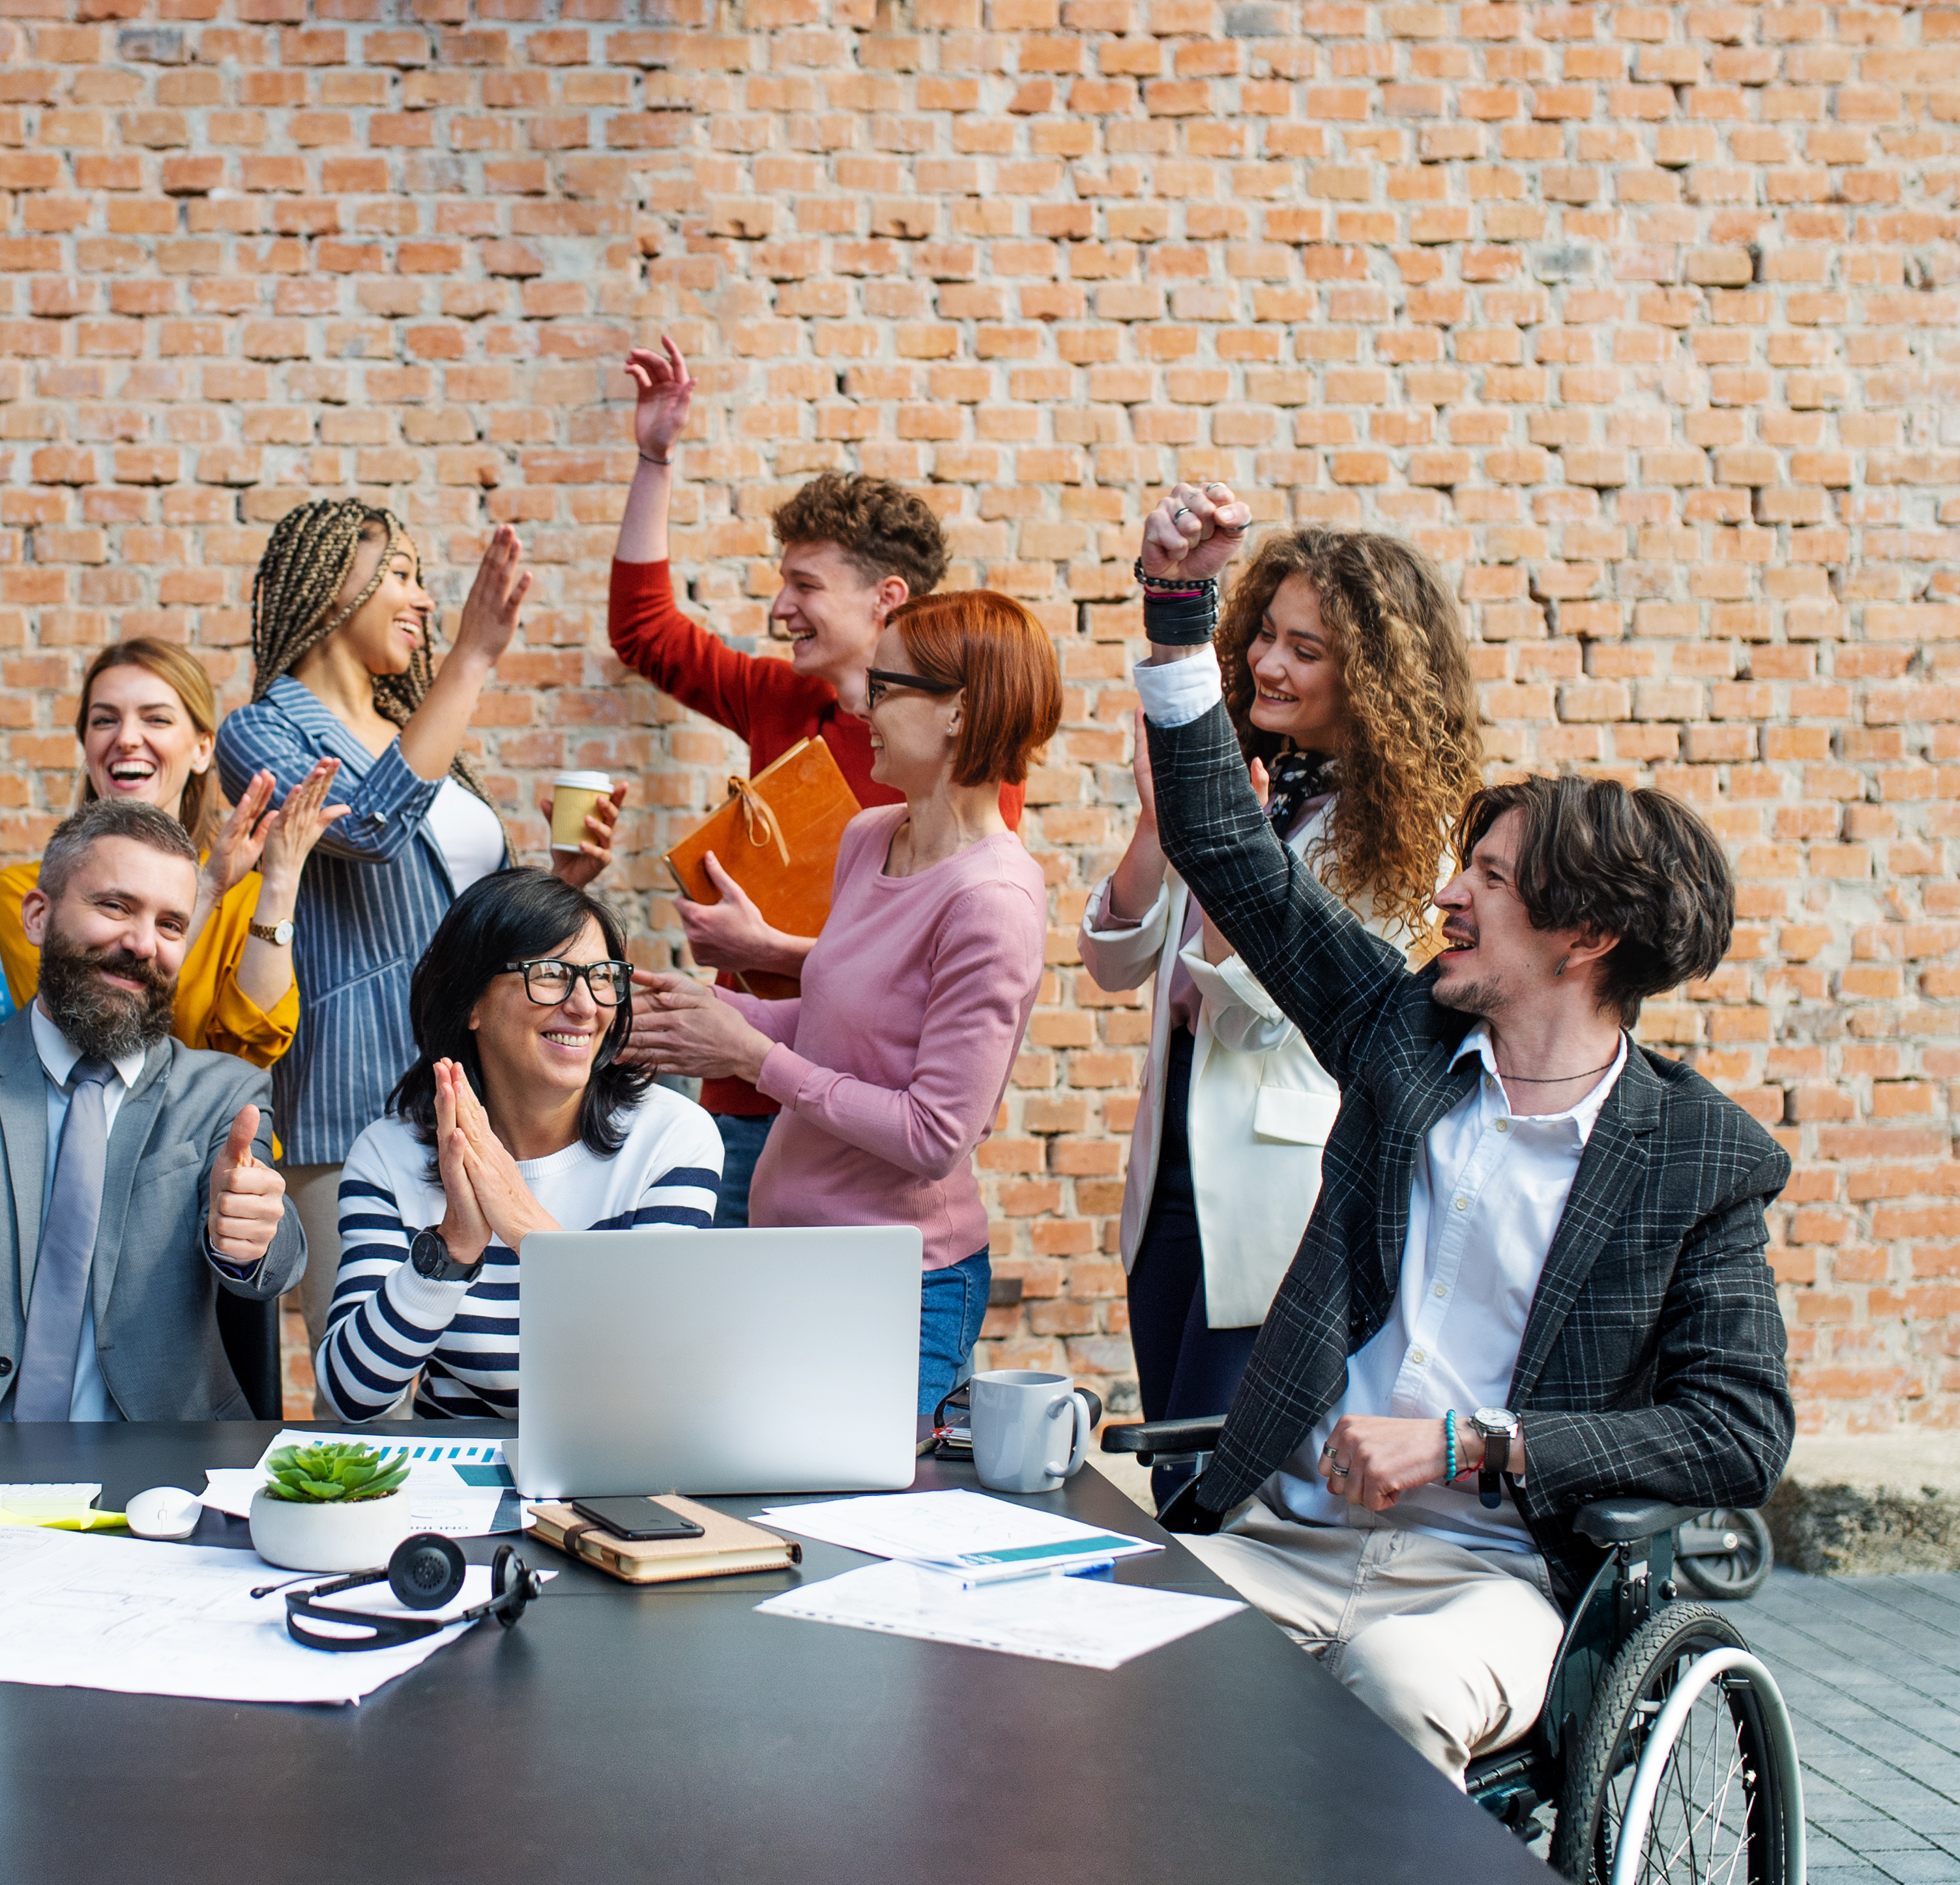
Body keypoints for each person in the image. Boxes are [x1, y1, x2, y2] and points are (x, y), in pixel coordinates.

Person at [1127, 479, 1792, 1779]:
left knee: (1382, 1698)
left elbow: (1736, 1432)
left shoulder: (1697, 1161)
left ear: (1582, 935)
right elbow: (1224, 845)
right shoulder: (1400, 1043)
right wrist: (1175, 610)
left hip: (1486, 1584)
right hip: (1283, 1541)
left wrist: (1472, 1446)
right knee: (1101, 1655)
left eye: (1485, 880)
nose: (1443, 896)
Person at [1083, 526, 1484, 1502]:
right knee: (1172, 1458)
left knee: (1214, 1486)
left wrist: (1228, 859)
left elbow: (1268, 1015)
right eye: (1263, 634)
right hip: (1168, 1180)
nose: (1265, 662)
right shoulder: (1246, 787)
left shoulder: (1404, 837)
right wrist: (1159, 830)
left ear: (1374, 677)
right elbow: (1112, 960)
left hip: (1276, 1199)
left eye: (1304, 650)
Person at [611, 336, 1024, 1229]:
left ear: (886, 598)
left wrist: (769, 953)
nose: (777, 611)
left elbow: (928, 985)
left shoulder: (963, 765)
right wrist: (654, 458)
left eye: (805, 585)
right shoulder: (778, 699)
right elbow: (645, 632)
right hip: (736, 1096)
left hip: (858, 1123)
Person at [628, 589, 1059, 1425]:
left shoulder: (993, 900)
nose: (860, 704)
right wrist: (702, 1024)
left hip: (899, 1288)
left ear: (959, 715)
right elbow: (834, 1028)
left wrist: (752, 1058)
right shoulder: (869, 838)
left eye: (886, 686)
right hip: (785, 1261)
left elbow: (933, 1136)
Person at [215, 501, 623, 1383]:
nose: (425, 602)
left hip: (477, 1091)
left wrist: (555, 890)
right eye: (399, 575)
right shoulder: (260, 729)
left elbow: (463, 926)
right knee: (375, 1377)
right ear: (332, 589)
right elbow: (367, 828)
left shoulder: (414, 733)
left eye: (421, 580)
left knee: (485, 1355)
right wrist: (474, 659)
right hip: (351, 1096)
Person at [0, 799, 307, 1420]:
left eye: (170, 925)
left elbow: (276, 1255)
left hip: (162, 1468)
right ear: (37, 915)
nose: (141, 944)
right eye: (115, 906)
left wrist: (253, 1230)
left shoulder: (221, 1093)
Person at [318, 870, 722, 1421]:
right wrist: (452, 1249)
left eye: (602, 976)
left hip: (611, 1472)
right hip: (457, 1481)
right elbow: (352, 1397)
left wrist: (524, 1224)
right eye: (551, 975)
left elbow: (653, 1374)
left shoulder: (671, 1139)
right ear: (471, 1003)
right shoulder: (390, 1155)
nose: (586, 1007)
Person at [0, 639, 343, 1070]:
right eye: (104, 721)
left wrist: (282, 879)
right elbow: (87, 1036)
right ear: (86, 742)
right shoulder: (27, 892)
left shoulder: (247, 896)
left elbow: (248, 1056)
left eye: (156, 719)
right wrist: (207, 890)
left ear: (202, 750)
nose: (127, 738)